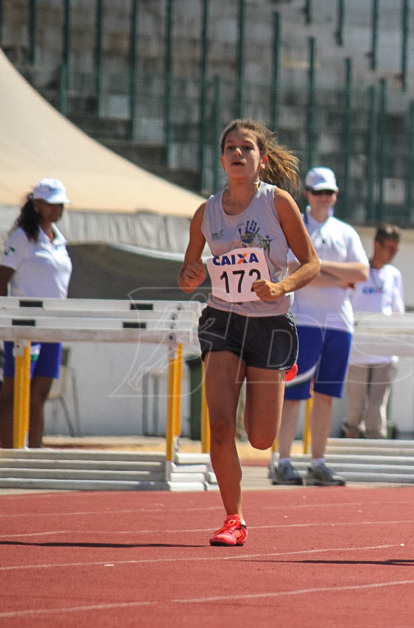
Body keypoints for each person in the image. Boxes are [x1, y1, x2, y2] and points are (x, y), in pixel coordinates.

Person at [178, 119, 320, 546]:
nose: (238, 154)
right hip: (222, 318)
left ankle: (276, 372)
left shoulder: (277, 204)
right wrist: (190, 276)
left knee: (260, 437)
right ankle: (233, 518)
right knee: (220, 425)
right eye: (231, 148)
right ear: (222, 159)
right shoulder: (206, 212)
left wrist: (280, 285)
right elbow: (188, 274)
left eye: (246, 148)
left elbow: (311, 264)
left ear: (261, 159)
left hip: (271, 323)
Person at [270, 167, 369, 486]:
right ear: (308, 195)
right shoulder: (297, 226)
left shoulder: (346, 231)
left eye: (329, 192)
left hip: (339, 323)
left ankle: (318, 461)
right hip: (305, 320)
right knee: (294, 394)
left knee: (326, 395)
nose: (324, 198)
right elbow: (291, 266)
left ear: (336, 195)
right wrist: (337, 277)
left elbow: (362, 272)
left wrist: (318, 267)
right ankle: (283, 460)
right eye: (318, 192)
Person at [0, 179, 73, 448]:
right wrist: (5, 321)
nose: (56, 209)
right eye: (50, 204)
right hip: (24, 324)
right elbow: (1, 280)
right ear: (37, 204)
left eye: (59, 204)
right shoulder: (22, 237)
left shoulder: (59, 239)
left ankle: (35, 451)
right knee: (13, 392)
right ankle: (8, 450)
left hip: (53, 324)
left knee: (40, 393)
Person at [342, 223, 405, 440]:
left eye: (396, 249)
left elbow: (398, 311)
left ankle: (376, 450)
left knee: (377, 409)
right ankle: (350, 454)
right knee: (355, 407)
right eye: (389, 248)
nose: (392, 253)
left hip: (384, 351)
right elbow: (346, 305)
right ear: (376, 245)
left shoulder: (394, 275)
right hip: (358, 350)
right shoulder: (358, 272)